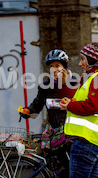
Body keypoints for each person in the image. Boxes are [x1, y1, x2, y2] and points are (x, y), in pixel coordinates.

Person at [60, 42, 98, 178]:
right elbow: (89, 102)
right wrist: (72, 102)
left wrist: (69, 106)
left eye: (82, 59)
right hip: (90, 140)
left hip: (87, 141)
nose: (80, 64)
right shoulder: (94, 77)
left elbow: (92, 106)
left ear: (92, 60)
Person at [19, 49, 77, 177]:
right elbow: (38, 103)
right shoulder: (46, 86)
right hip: (56, 133)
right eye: (51, 67)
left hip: (73, 131)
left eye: (57, 66)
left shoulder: (74, 83)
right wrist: (28, 110)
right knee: (63, 167)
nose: (54, 69)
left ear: (64, 67)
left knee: (75, 167)